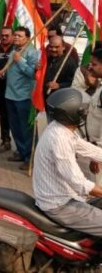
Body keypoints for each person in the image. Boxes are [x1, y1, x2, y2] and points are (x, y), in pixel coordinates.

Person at [33, 87, 102, 237]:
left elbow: (89, 149)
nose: (86, 113)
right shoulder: (59, 139)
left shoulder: (61, 128)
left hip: (64, 196)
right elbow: (79, 183)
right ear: (71, 114)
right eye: (83, 111)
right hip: (59, 205)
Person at [0, 26, 39, 171]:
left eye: (20, 36)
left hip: (24, 96)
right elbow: (11, 71)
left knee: (26, 129)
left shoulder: (32, 52)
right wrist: (2, 73)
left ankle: (30, 157)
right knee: (15, 128)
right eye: (16, 36)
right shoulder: (15, 50)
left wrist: (20, 61)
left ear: (27, 37)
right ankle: (21, 152)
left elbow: (33, 74)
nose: (17, 38)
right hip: (10, 95)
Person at [0, 27, 14, 153]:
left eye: (7, 35)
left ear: (12, 36)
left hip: (14, 88)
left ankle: (21, 146)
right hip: (0, 87)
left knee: (14, 116)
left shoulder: (16, 50)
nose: (4, 38)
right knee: (3, 115)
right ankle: (5, 140)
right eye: (2, 36)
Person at [43, 35, 78, 102]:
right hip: (44, 97)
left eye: (57, 47)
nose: (53, 49)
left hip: (60, 99)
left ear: (63, 47)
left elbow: (74, 82)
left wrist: (59, 85)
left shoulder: (70, 62)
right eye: (51, 47)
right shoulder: (46, 59)